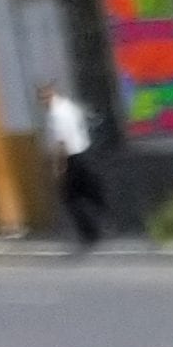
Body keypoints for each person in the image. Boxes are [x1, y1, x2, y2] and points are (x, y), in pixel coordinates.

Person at [39, 81, 106, 248]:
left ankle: (90, 234)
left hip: (73, 158)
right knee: (90, 192)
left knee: (70, 198)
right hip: (85, 152)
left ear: (49, 94)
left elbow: (62, 143)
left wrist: (59, 166)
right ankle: (103, 222)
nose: (43, 102)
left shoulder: (56, 114)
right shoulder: (68, 106)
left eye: (43, 98)